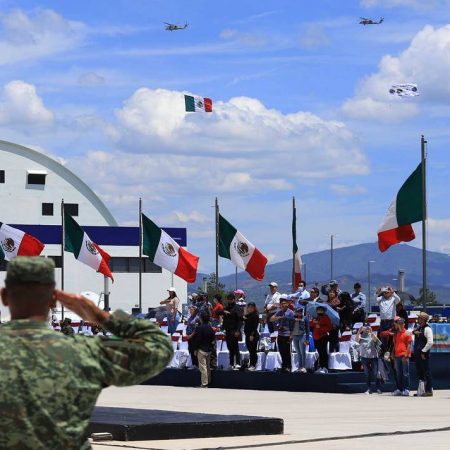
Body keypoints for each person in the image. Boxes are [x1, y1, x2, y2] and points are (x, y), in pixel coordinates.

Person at [0, 256, 172, 450]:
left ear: (5, 296)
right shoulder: (83, 351)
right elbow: (159, 347)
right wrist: (102, 317)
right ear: (53, 300)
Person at [382, 317, 412, 396]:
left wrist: (406, 355)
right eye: (399, 323)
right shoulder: (396, 334)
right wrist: (392, 353)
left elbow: (409, 345)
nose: (401, 325)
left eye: (402, 323)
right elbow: (395, 345)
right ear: (397, 324)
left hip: (404, 356)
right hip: (396, 356)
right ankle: (400, 389)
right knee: (398, 374)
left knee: (406, 373)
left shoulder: (408, 333)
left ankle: (407, 389)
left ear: (404, 324)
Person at [191, 311, 215, 388]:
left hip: (201, 350)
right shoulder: (211, 328)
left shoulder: (199, 328)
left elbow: (197, 340)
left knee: (203, 367)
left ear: (201, 319)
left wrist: (195, 349)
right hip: (208, 350)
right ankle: (209, 381)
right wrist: (211, 347)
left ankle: (204, 383)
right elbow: (213, 340)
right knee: (207, 366)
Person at [270, 295, 294, 372]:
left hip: (287, 334)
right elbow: (271, 319)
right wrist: (279, 317)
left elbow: (293, 325)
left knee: (287, 351)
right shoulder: (279, 312)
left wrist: (291, 335)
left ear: (287, 304)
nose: (283, 305)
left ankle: (289, 366)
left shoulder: (291, 312)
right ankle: (284, 365)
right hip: (280, 334)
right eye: (282, 304)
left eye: (284, 303)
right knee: (281, 351)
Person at [355, 323, 382, 394]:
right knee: (367, 374)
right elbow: (357, 340)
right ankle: (369, 389)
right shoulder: (361, 336)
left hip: (373, 357)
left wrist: (371, 332)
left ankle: (378, 388)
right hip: (364, 357)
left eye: (368, 327)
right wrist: (358, 332)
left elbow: (378, 342)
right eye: (365, 327)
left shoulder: (372, 334)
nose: (367, 329)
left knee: (376, 373)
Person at [413, 312, 434, 397]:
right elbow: (413, 332)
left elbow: (430, 342)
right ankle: (421, 391)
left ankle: (429, 391)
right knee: (420, 372)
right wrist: (415, 332)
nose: (418, 319)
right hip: (418, 354)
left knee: (426, 372)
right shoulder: (419, 328)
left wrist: (423, 352)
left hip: (423, 354)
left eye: (419, 318)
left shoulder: (427, 329)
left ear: (424, 320)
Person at [220, 293, 243, 370]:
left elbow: (240, 321)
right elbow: (219, 313)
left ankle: (238, 363)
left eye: (231, 299)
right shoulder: (227, 308)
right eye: (228, 299)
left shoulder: (237, 308)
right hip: (227, 330)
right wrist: (224, 312)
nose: (229, 300)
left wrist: (238, 330)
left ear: (234, 299)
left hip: (234, 330)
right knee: (230, 348)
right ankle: (231, 363)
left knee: (235, 347)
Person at [310, 306, 333, 373]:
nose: (319, 311)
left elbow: (329, 328)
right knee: (320, 352)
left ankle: (325, 367)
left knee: (323, 352)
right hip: (315, 337)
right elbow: (310, 324)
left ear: (323, 311)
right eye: (318, 310)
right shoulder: (315, 317)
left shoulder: (326, 317)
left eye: (321, 310)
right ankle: (321, 366)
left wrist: (320, 327)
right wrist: (313, 322)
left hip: (323, 337)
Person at [291, 306, 310, 373]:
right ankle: (299, 367)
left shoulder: (305, 318)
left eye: (301, 311)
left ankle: (304, 367)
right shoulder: (293, 318)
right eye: (298, 311)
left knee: (302, 352)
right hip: (294, 336)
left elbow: (308, 329)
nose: (300, 313)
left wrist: (307, 339)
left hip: (302, 336)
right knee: (298, 353)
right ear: (296, 312)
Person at [243, 302, 260, 371]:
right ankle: (251, 364)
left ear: (254, 308)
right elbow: (242, 317)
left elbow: (255, 326)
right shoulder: (248, 315)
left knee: (253, 351)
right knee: (250, 351)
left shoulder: (255, 315)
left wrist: (251, 335)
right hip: (247, 335)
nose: (250, 308)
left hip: (252, 335)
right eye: (249, 307)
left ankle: (253, 365)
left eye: (251, 307)